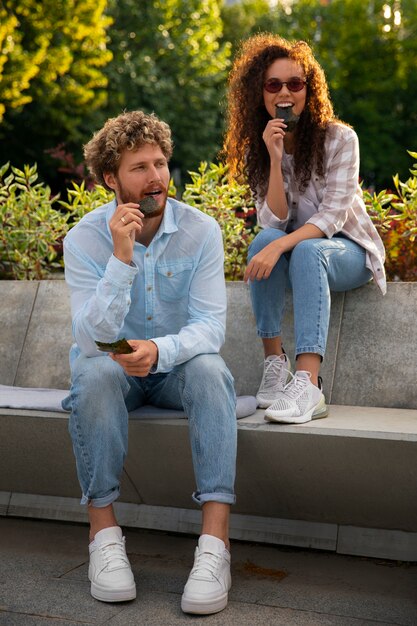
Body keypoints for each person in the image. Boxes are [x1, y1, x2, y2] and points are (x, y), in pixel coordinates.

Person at [62, 110, 237, 615]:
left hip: (175, 369)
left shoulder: (201, 232)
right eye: (139, 167)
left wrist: (159, 351)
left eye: (160, 163)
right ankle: (104, 537)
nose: (155, 176)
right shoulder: (84, 239)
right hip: (113, 368)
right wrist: (121, 258)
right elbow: (92, 338)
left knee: (210, 369)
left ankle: (215, 546)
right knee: (91, 373)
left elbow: (210, 328)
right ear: (111, 179)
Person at [223, 33, 386, 424]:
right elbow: (273, 222)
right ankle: (274, 365)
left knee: (301, 248)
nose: (285, 92)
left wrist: (281, 247)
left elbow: (332, 218)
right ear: (259, 94)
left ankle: (309, 384)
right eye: (273, 84)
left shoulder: (340, 139)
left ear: (308, 90)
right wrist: (275, 159)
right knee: (264, 239)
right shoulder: (259, 147)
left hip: (347, 253)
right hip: (298, 254)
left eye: (295, 84)